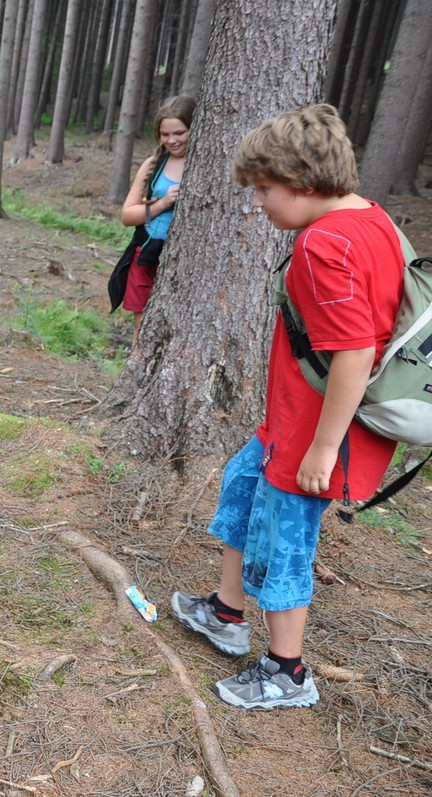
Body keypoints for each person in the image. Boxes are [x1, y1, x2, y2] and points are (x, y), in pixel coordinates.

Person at [170, 104, 406, 711]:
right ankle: (226, 612)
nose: (258, 203)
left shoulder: (325, 243)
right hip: (291, 420)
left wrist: (323, 449)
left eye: (264, 189)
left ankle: (287, 672)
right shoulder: (369, 217)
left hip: (317, 431)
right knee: (241, 483)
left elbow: (355, 351)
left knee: (285, 541)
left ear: (302, 183)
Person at [118, 95, 196, 337]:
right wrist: (161, 204)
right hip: (146, 254)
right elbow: (127, 215)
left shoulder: (203, 165)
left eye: (179, 132)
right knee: (141, 326)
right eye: (165, 134)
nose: (172, 140)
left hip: (185, 260)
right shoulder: (153, 164)